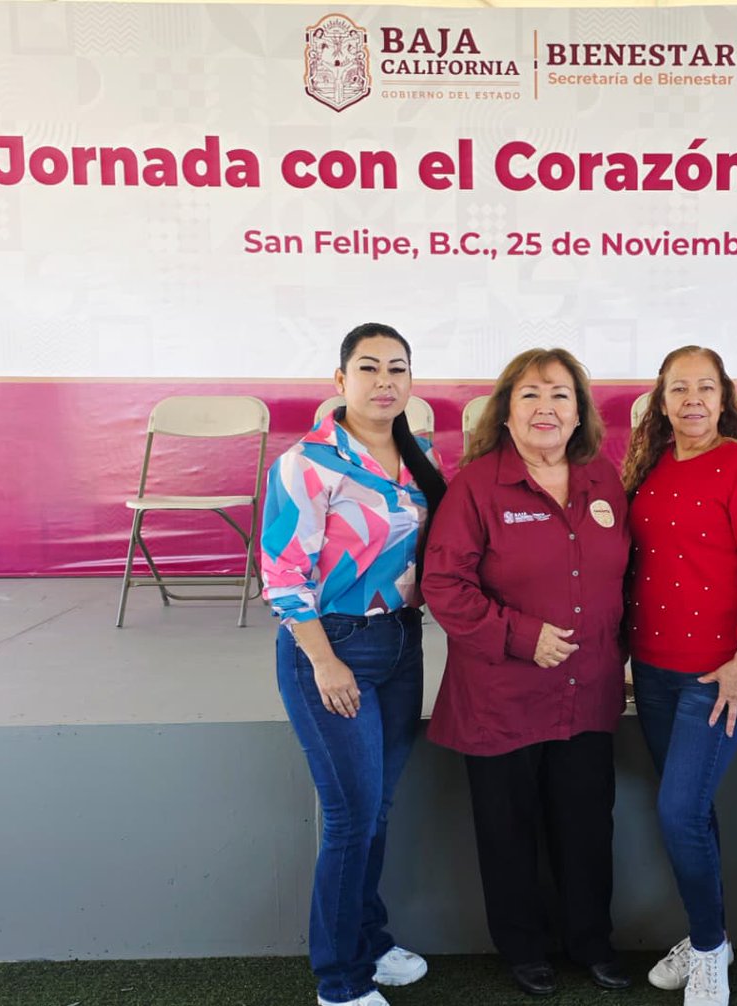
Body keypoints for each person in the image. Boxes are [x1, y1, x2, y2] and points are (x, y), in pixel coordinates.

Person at [422, 349, 632, 997]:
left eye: (561, 396)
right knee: (507, 829)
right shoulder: (476, 485)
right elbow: (444, 585)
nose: (547, 408)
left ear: (579, 413)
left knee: (587, 823)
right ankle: (524, 949)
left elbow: (629, 576)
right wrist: (522, 635)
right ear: (506, 412)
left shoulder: (605, 478)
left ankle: (591, 942)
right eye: (532, 395)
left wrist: (624, 657)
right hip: (500, 696)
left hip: (588, 691)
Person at [261, 323, 447, 1006]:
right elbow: (283, 574)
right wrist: (323, 662)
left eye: (398, 368)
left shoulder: (420, 455)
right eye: (368, 368)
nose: (384, 380)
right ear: (340, 382)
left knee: (378, 807)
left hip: (401, 643)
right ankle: (339, 981)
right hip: (330, 648)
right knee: (349, 815)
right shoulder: (306, 462)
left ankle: (369, 940)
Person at [622, 346, 737, 1006]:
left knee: (677, 811)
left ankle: (710, 948)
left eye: (706, 387)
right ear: (661, 402)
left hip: (720, 674)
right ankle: (708, 936)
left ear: (725, 399)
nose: (692, 399)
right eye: (678, 388)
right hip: (654, 668)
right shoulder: (650, 468)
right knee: (690, 811)